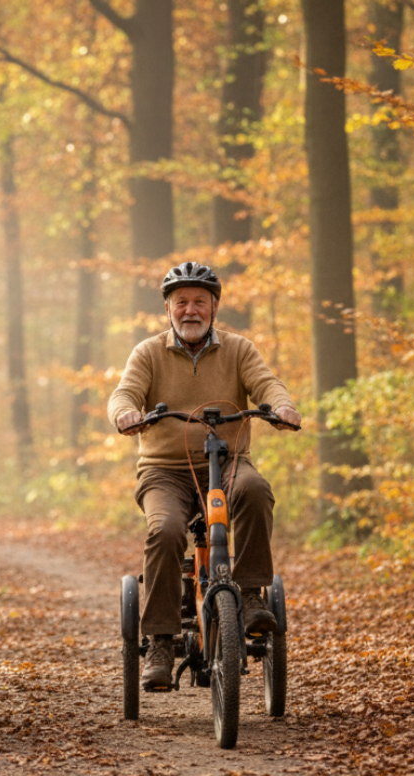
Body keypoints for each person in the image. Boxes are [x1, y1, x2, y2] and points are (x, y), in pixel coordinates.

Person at [108, 262, 302, 689]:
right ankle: (160, 639)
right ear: (167, 309)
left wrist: (281, 407)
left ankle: (250, 596)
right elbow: (125, 392)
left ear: (214, 306)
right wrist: (125, 413)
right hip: (165, 470)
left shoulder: (239, 349)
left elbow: (267, 383)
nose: (190, 310)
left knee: (254, 489)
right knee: (165, 529)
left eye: (199, 301)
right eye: (181, 302)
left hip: (227, 459)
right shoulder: (148, 353)